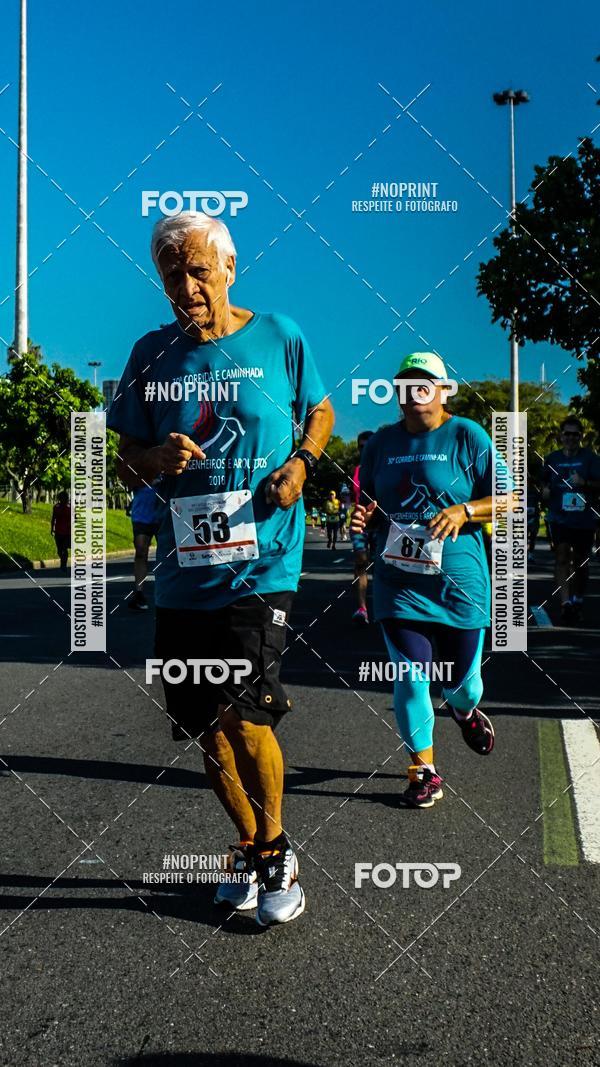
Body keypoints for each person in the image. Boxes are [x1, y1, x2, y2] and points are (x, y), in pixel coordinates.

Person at [108, 211, 334, 924]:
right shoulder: (150, 355)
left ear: (230, 268)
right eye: (172, 273)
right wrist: (154, 460)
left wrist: (301, 462)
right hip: (185, 570)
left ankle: (276, 853)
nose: (186, 284)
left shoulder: (280, 336)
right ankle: (247, 842)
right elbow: (121, 458)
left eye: (198, 269)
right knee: (205, 725)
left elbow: (320, 410)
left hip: (262, 563)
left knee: (244, 712)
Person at [351, 352, 498, 809]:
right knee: (412, 677)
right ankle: (423, 770)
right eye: (406, 383)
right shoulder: (380, 443)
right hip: (399, 583)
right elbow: (372, 506)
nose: (415, 390)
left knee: (462, 685)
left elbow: (512, 498)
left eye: (425, 382)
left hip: (459, 584)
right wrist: (364, 518)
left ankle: (463, 709)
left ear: (443, 389)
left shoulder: (467, 435)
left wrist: (466, 510)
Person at [542, 416, 600, 624]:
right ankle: (566, 603)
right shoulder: (552, 459)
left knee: (581, 563)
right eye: (567, 433)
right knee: (562, 556)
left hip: (584, 519)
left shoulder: (591, 459)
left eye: (575, 434)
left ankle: (578, 599)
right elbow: (544, 484)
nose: (571, 438)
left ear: (581, 436)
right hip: (559, 518)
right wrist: (545, 492)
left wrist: (584, 482)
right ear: (561, 436)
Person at [350, 430, 375, 625]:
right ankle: (362, 608)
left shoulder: (384, 467)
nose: (363, 450)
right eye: (360, 447)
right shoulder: (357, 470)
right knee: (361, 560)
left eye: (367, 446)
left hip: (380, 524)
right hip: (360, 524)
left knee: (385, 565)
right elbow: (354, 497)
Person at [128, 483, 161, 611]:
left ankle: (169, 589)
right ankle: (139, 593)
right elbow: (127, 478)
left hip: (162, 512)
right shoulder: (136, 463)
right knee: (141, 551)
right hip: (141, 514)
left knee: (166, 551)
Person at [50, 491, 71, 571]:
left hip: (67, 532)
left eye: (64, 498)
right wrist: (52, 529)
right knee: (59, 550)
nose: (63, 500)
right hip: (58, 531)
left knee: (64, 548)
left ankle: (63, 565)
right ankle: (63, 561)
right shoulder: (56, 507)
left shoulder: (70, 508)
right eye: (61, 498)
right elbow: (53, 518)